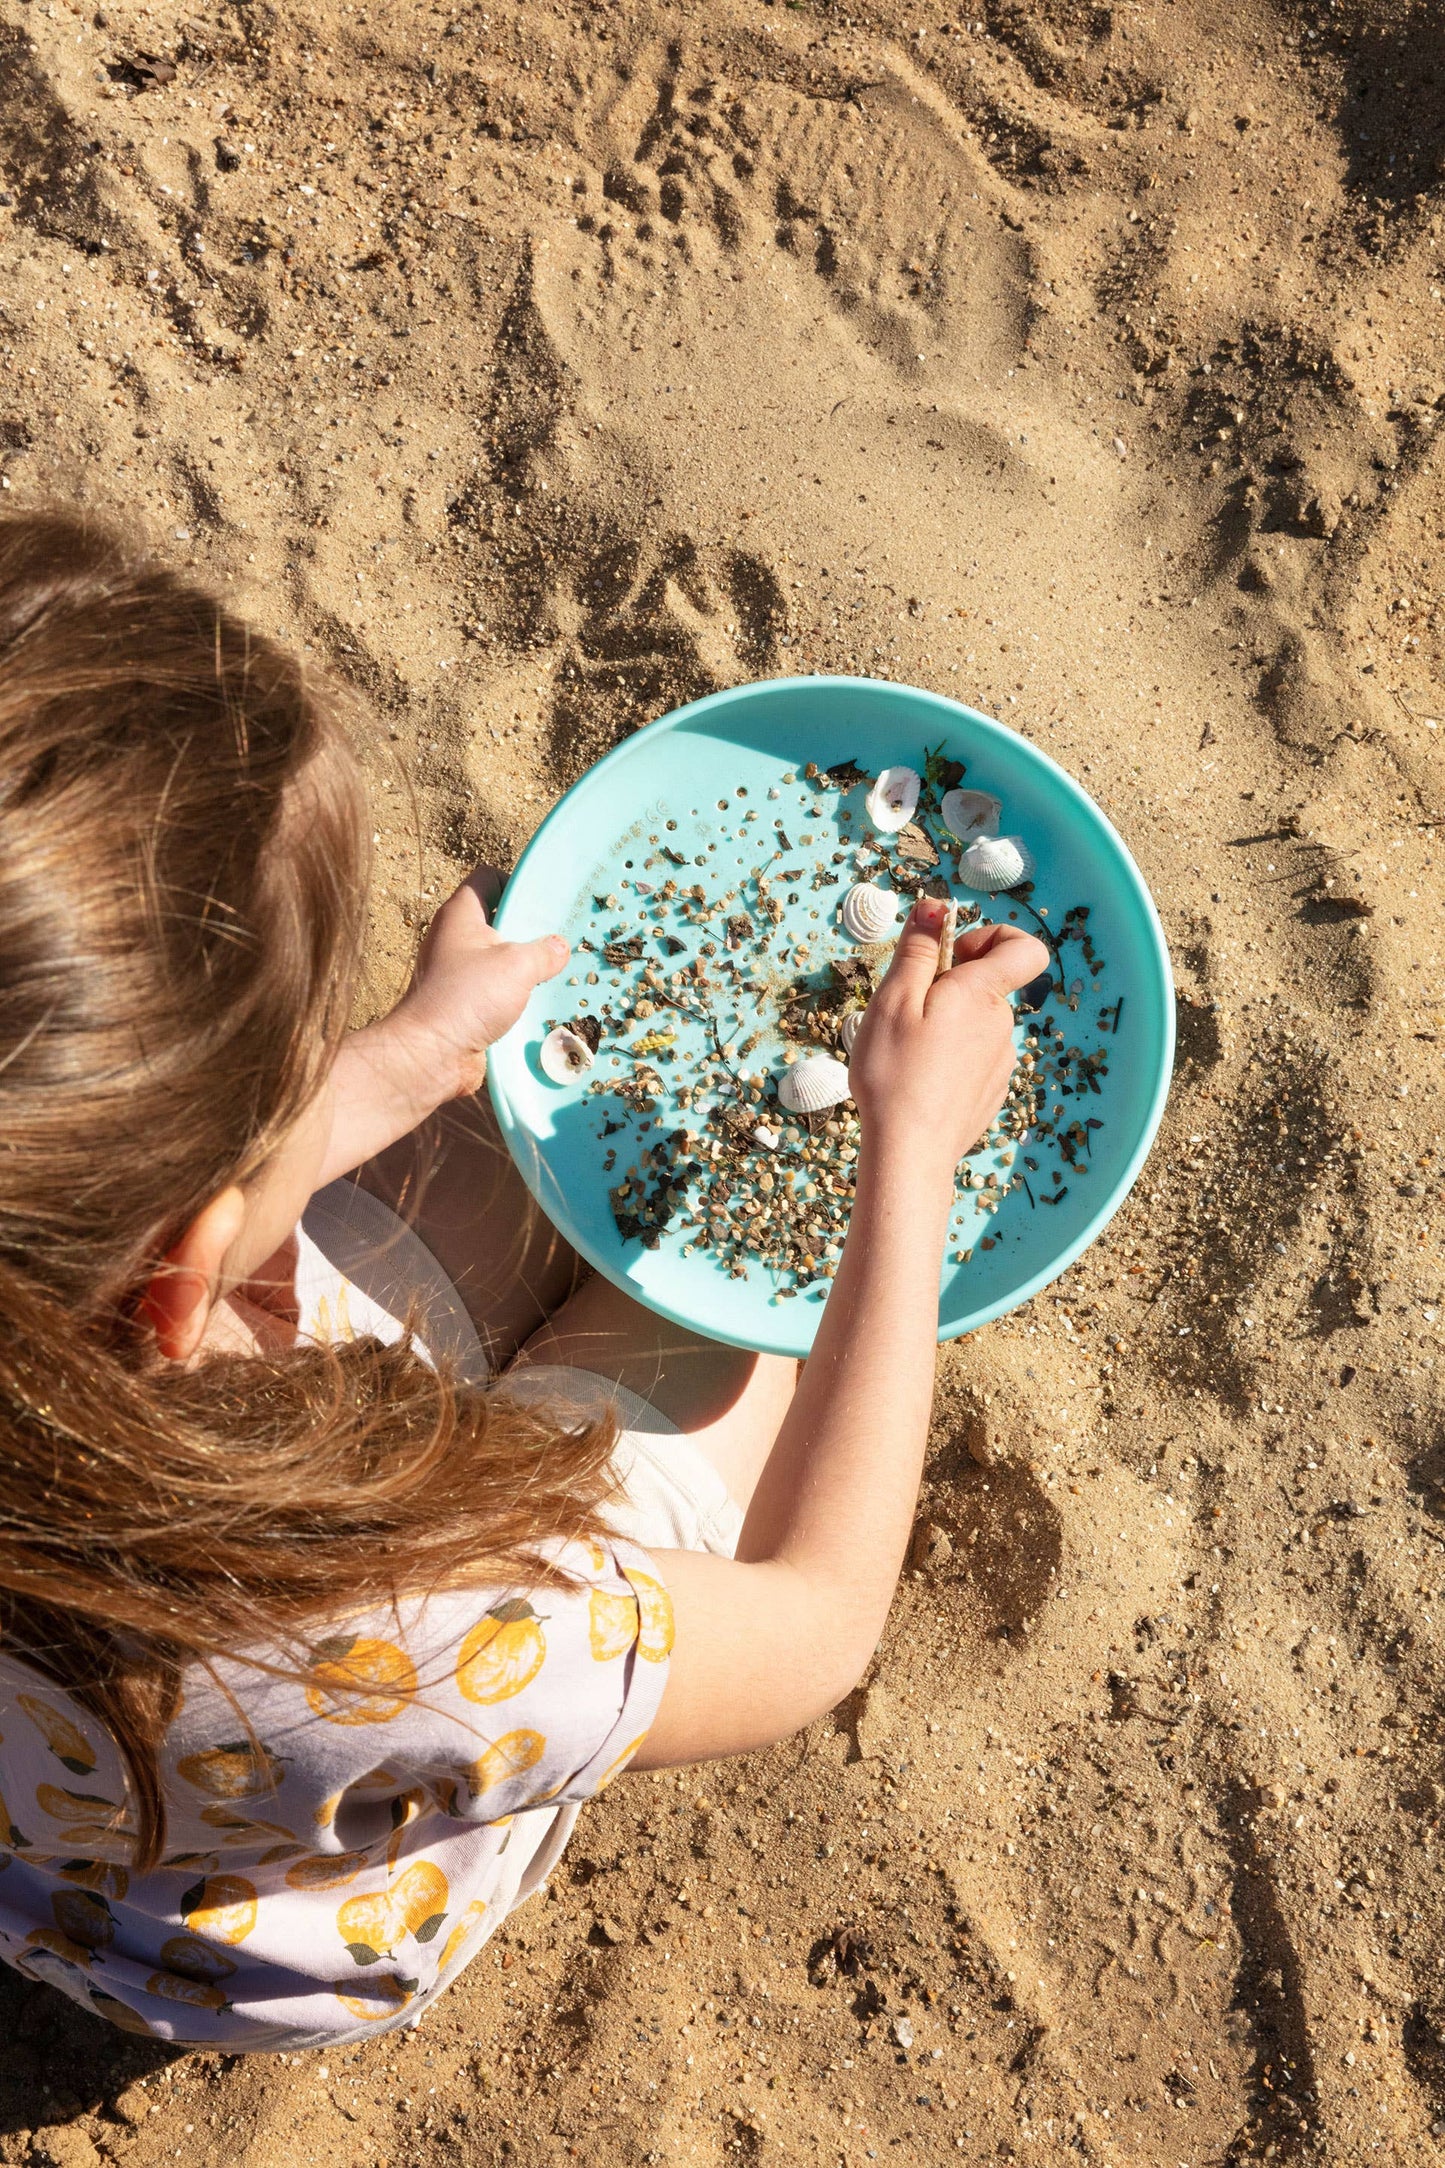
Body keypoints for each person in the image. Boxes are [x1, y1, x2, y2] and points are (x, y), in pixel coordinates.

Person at [0, 511, 1047, 2048]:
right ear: (177, 1273)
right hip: (280, 1861)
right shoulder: (402, 1638)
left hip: (79, 1750)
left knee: (488, 1144)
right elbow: (812, 1628)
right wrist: (909, 1163)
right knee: (731, 1302)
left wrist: (396, 1065)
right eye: (288, 1083)